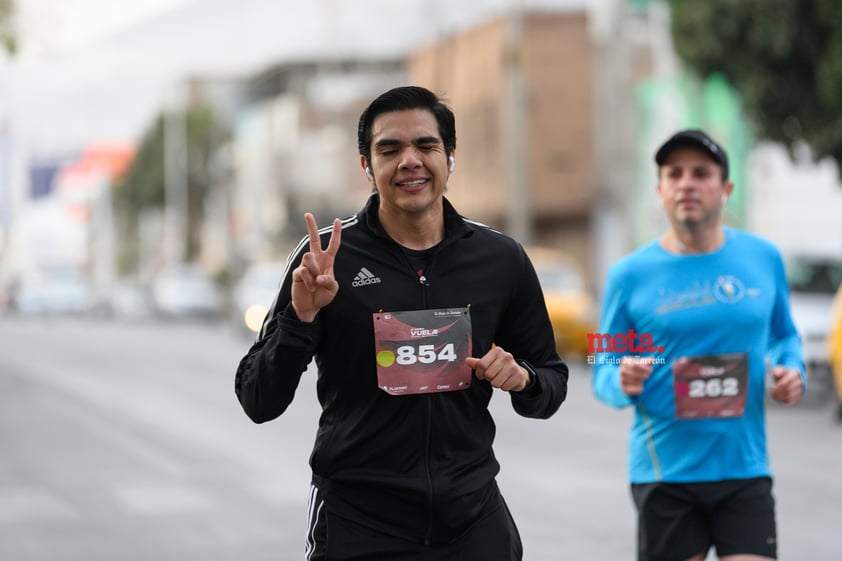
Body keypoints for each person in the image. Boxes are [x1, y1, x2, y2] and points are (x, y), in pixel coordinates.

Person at [234, 85, 569, 560]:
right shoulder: (327, 259)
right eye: (389, 149)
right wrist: (301, 318)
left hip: (471, 516)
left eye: (426, 146)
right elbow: (257, 399)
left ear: (450, 157)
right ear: (368, 167)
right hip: (359, 521)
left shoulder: (500, 259)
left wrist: (526, 379)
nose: (409, 160)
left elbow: (552, 381)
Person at [591, 129, 805, 561]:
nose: (687, 183)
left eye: (701, 173)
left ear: (725, 189)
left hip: (744, 469)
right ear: (660, 189)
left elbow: (784, 335)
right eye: (675, 174)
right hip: (665, 473)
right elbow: (603, 367)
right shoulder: (629, 275)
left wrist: (791, 369)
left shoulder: (763, 257)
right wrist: (622, 378)